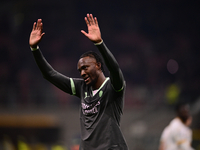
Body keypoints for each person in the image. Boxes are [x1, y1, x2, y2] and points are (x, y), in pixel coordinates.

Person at [29, 14, 128, 150]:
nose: (82, 73)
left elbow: (114, 69)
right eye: (79, 70)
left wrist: (99, 43)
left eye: (85, 67)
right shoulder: (82, 87)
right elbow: (50, 74)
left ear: (98, 65)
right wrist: (35, 49)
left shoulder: (113, 87)